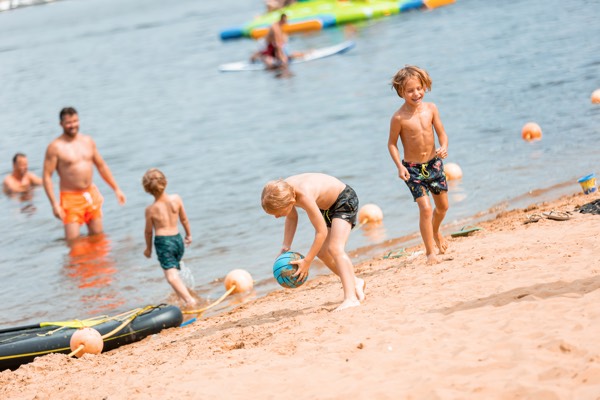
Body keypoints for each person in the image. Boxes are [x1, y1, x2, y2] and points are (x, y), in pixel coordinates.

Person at [261, 173, 365, 311]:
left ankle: (351, 299)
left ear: (291, 202)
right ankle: (355, 282)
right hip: (326, 208)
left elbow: (321, 232)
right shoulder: (282, 191)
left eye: (279, 212)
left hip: (344, 200)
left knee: (335, 248)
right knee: (322, 253)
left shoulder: (303, 195)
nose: (276, 216)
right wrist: (285, 247)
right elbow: (292, 218)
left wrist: (307, 261)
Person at [387, 65, 449, 265]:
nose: (416, 93)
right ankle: (430, 252)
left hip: (434, 165)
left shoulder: (431, 109)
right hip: (413, 169)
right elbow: (391, 144)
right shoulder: (398, 117)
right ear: (401, 92)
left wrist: (444, 146)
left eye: (419, 88)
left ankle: (436, 230)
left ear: (425, 87)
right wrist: (400, 166)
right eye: (410, 90)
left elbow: (441, 132)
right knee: (425, 209)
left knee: (443, 208)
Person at [43, 107, 126, 242]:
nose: (73, 125)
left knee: (99, 238)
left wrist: (116, 189)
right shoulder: (55, 147)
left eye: (75, 121)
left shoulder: (87, 141)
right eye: (69, 122)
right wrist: (54, 204)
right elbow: (47, 176)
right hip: (70, 199)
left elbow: (101, 166)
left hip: (90, 194)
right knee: (73, 243)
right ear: (61, 124)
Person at [142, 168, 197, 307]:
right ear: (165, 182)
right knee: (175, 272)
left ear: (147, 189)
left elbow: (148, 232)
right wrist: (188, 235)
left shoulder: (151, 209)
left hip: (164, 243)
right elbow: (184, 219)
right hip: (178, 240)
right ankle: (182, 299)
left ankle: (189, 300)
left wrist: (148, 249)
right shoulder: (176, 199)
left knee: (171, 277)